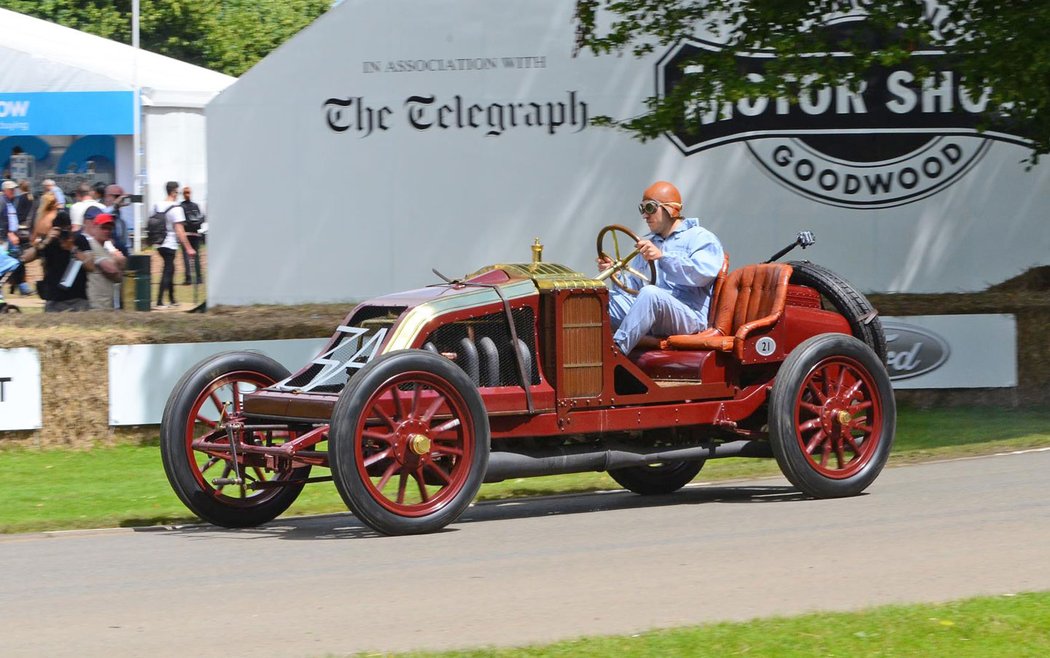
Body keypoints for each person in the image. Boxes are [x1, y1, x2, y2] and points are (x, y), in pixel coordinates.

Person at [598, 180, 724, 354]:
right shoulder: (648, 241)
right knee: (597, 299)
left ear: (670, 209)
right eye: (642, 209)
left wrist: (663, 258)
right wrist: (616, 273)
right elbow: (633, 290)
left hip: (688, 315)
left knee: (651, 293)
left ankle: (615, 352)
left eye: (650, 208)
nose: (644, 215)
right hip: (649, 311)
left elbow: (702, 274)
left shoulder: (700, 237)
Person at [19, 209, 91, 312]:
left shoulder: (79, 240)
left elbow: (91, 266)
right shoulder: (48, 241)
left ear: (71, 228)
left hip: (78, 298)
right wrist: (45, 242)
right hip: (54, 299)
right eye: (60, 230)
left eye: (66, 230)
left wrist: (73, 248)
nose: (63, 234)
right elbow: (24, 258)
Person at [153, 180, 195, 308]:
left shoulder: (157, 205)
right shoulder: (177, 208)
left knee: (171, 269)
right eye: (178, 192)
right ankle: (160, 301)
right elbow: (180, 231)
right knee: (168, 270)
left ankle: (172, 299)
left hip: (158, 242)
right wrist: (189, 248)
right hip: (170, 243)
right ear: (174, 192)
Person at [81, 207, 126, 310]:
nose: (107, 231)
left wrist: (118, 263)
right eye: (103, 228)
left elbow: (123, 264)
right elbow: (112, 271)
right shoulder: (92, 245)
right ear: (95, 227)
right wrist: (117, 262)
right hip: (97, 304)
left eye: (109, 229)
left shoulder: (107, 247)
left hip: (108, 303)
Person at [3, 180, 32, 295]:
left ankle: (20, 287)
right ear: (5, 190)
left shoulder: (9, 202)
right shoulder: (2, 202)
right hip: (6, 238)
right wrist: (8, 233)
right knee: (15, 261)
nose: (13, 191)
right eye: (11, 190)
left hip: (11, 236)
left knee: (16, 261)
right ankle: (22, 287)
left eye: (14, 189)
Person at [179, 185, 204, 284]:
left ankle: (198, 278)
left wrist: (195, 224)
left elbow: (201, 217)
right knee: (186, 257)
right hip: (186, 234)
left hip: (194, 234)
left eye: (188, 192)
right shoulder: (181, 206)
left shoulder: (195, 205)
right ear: (183, 194)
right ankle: (188, 278)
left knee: (196, 257)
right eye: (185, 193)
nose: (187, 194)